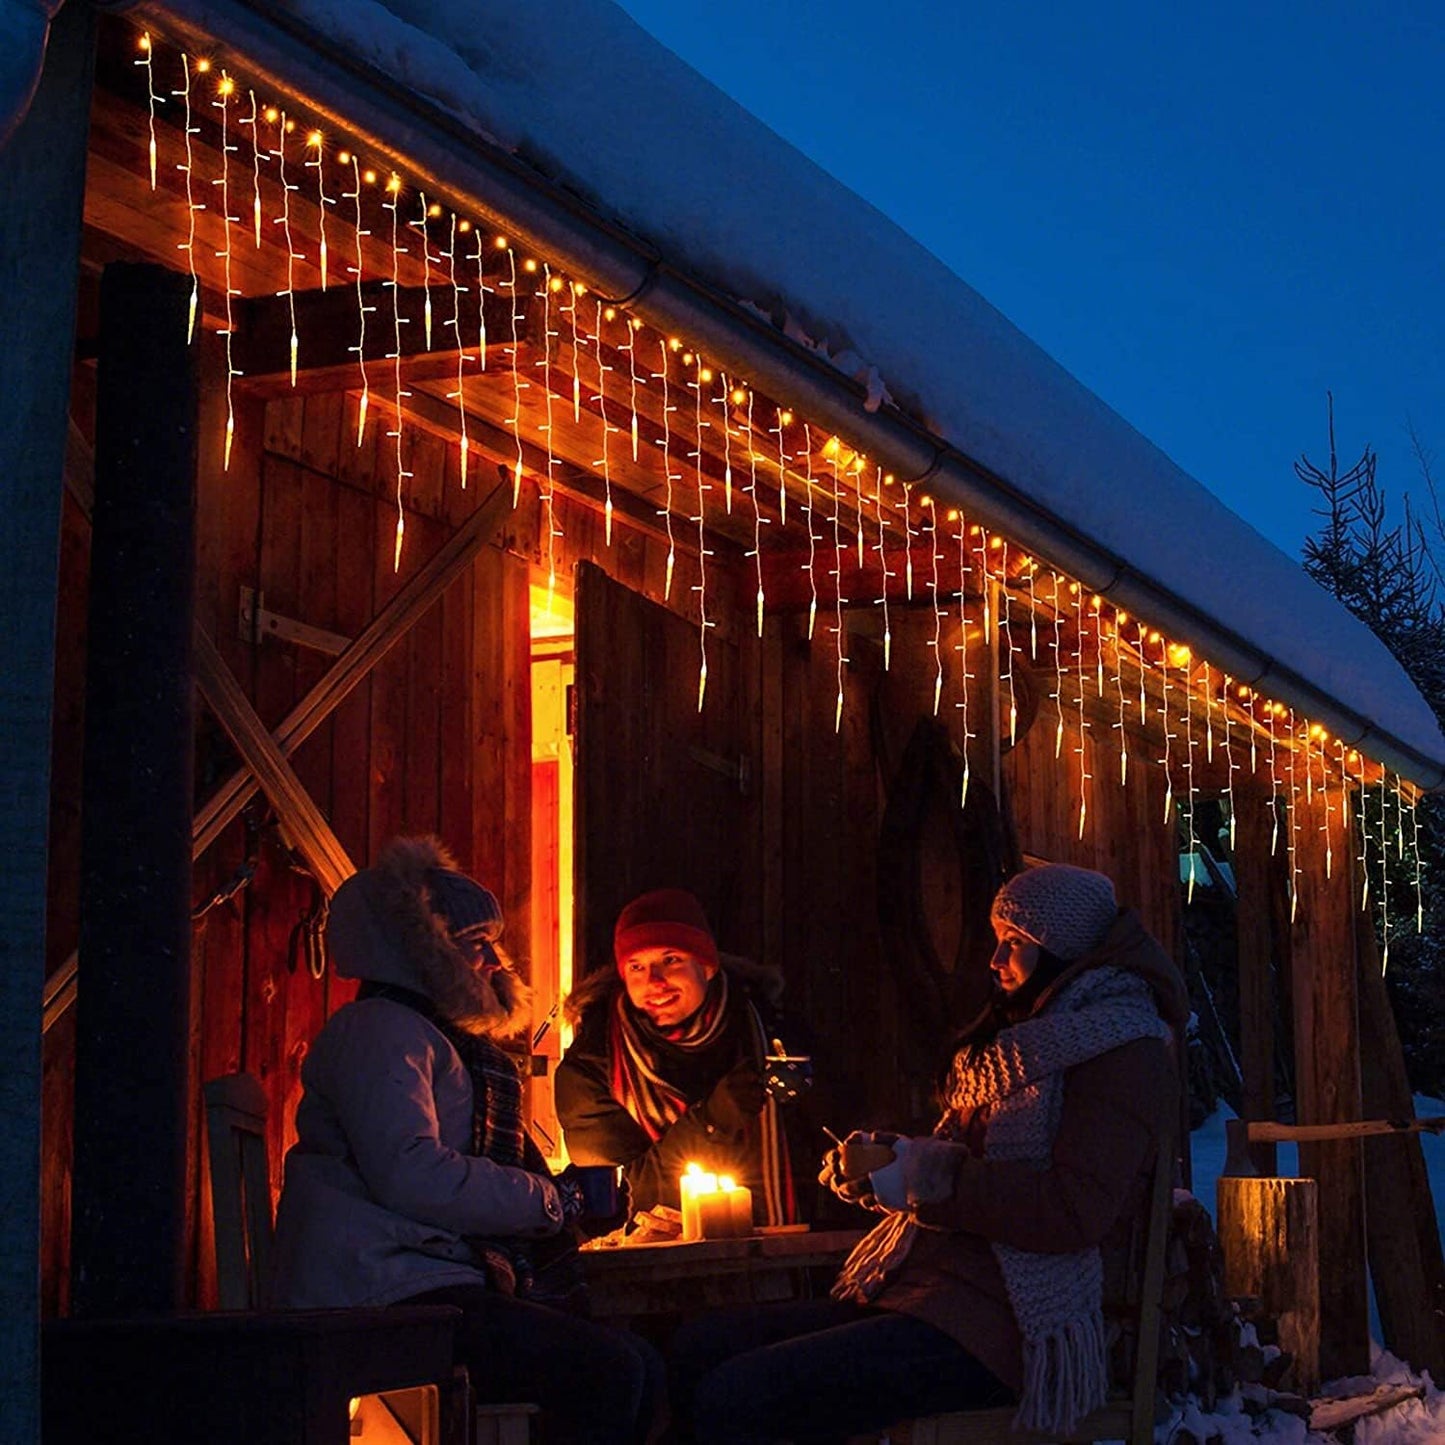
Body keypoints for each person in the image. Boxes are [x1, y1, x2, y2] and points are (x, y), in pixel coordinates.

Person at [669, 863, 1189, 1444]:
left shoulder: (1121, 1053)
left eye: (1016, 942)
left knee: (738, 1394)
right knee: (699, 1347)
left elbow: (1073, 1210)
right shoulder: (1027, 1045)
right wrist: (889, 1165)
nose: (996, 960)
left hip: (1009, 1328)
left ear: (1065, 951)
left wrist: (927, 1176)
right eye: (997, 940)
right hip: (934, 1298)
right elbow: (966, 1165)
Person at [270, 836, 661, 1445]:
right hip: (378, 1295)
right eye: (475, 944)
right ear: (420, 949)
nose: (495, 962)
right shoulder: (380, 1031)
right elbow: (412, 1173)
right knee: (610, 1369)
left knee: (640, 1361)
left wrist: (565, 1211)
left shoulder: (428, 1036)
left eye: (492, 943)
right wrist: (553, 1201)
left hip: (415, 1282)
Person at [555, 888, 795, 1225]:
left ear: (706, 966)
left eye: (671, 960)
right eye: (637, 967)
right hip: (658, 1255)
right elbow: (617, 1201)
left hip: (783, 1249)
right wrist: (711, 1122)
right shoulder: (591, 1067)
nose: (654, 981)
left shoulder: (768, 1033)